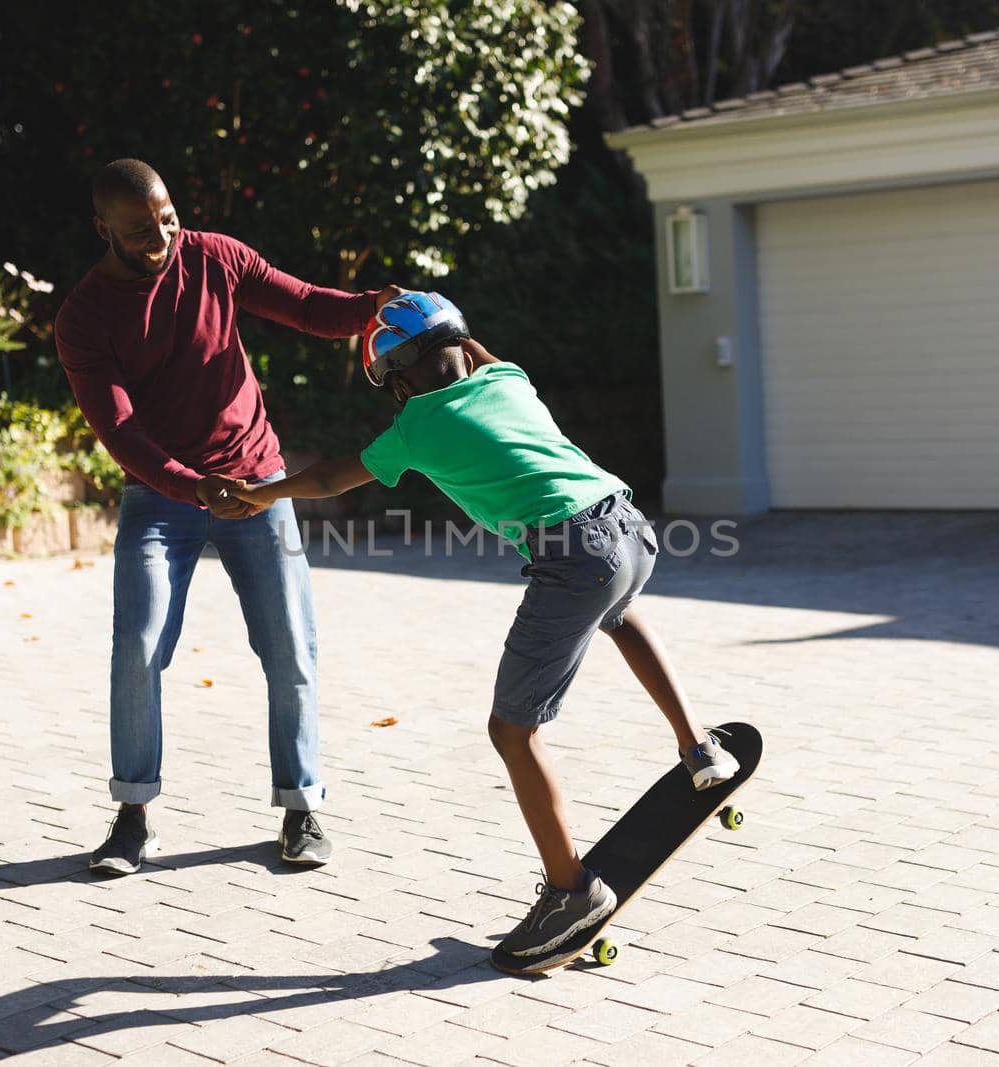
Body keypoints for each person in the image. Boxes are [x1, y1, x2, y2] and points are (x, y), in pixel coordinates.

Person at [230, 292, 740, 970]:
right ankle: (699, 747)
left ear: (401, 383)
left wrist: (262, 492)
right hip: (629, 525)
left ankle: (571, 890)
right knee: (619, 615)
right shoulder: (507, 376)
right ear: (464, 347)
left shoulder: (414, 426)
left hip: (574, 555)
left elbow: (326, 476)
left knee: (512, 731)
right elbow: (474, 352)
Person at [54, 158, 403, 874]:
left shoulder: (214, 256)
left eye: (168, 217)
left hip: (260, 480)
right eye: (142, 231)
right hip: (161, 496)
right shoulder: (84, 317)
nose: (163, 236)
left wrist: (374, 305)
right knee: (139, 646)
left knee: (291, 646)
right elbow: (120, 432)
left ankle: (301, 807)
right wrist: (191, 485)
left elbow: (306, 304)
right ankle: (133, 814)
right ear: (104, 231)